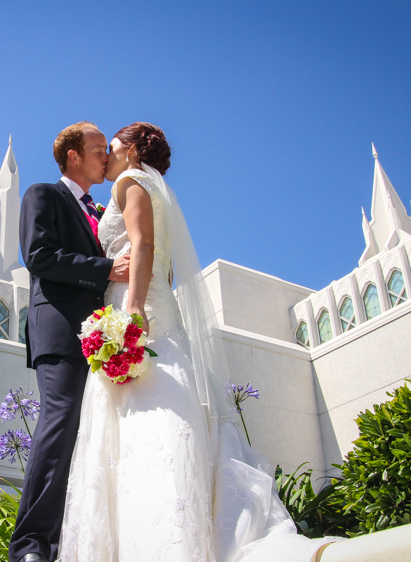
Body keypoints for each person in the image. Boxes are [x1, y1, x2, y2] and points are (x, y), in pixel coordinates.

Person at [57, 122, 339, 562]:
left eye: (111, 148)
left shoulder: (131, 182)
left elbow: (144, 245)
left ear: (131, 152)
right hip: (158, 306)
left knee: (144, 418)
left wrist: (131, 309)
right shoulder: (159, 189)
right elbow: (162, 266)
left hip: (136, 308)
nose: (107, 157)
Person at [11, 121, 132, 562]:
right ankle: (30, 545)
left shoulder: (100, 212)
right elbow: (39, 256)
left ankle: (69, 542)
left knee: (91, 434)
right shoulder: (43, 194)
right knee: (59, 423)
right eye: (98, 149)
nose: (106, 157)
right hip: (61, 330)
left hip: (102, 339)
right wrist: (105, 269)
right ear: (73, 155)